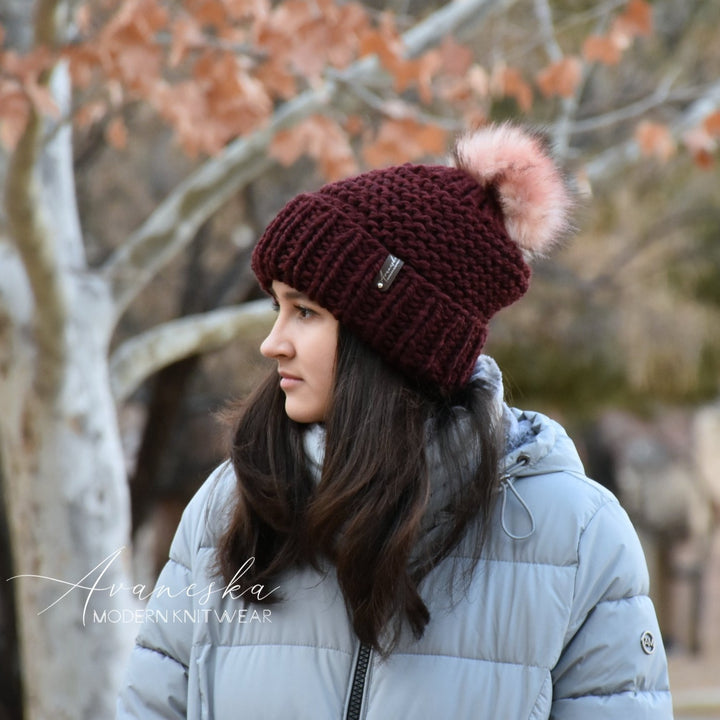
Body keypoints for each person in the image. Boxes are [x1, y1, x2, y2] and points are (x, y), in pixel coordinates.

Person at [117, 123, 673, 719]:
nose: (272, 343)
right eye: (277, 307)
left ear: (394, 341)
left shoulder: (578, 537)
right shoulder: (229, 505)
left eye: (305, 311)